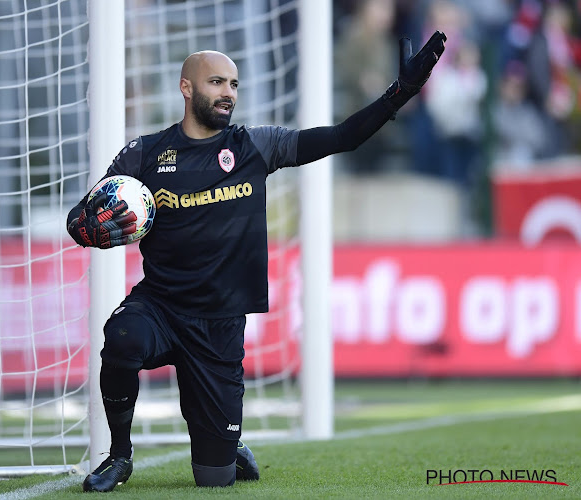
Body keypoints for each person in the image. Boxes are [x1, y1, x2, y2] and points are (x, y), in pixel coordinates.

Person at [67, 31, 446, 492]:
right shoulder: (144, 154)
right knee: (121, 337)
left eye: (234, 84)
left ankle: (228, 443)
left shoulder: (256, 146)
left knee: (214, 479)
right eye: (217, 83)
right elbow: (84, 216)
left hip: (220, 325)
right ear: (187, 88)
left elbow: (343, 138)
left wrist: (401, 91)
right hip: (161, 307)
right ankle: (119, 456)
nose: (228, 93)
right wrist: (90, 229)